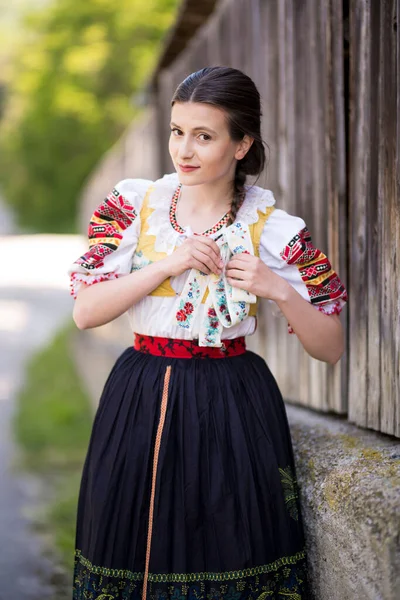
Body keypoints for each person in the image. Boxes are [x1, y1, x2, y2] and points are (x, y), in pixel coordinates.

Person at [68, 66, 347, 600]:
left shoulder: (273, 230)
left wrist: (278, 290)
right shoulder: (136, 206)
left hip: (232, 399)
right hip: (140, 392)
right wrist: (163, 266)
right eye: (177, 131)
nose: (184, 150)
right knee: (129, 546)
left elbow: (330, 348)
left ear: (242, 145)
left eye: (204, 135)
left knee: (229, 546)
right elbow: (86, 312)